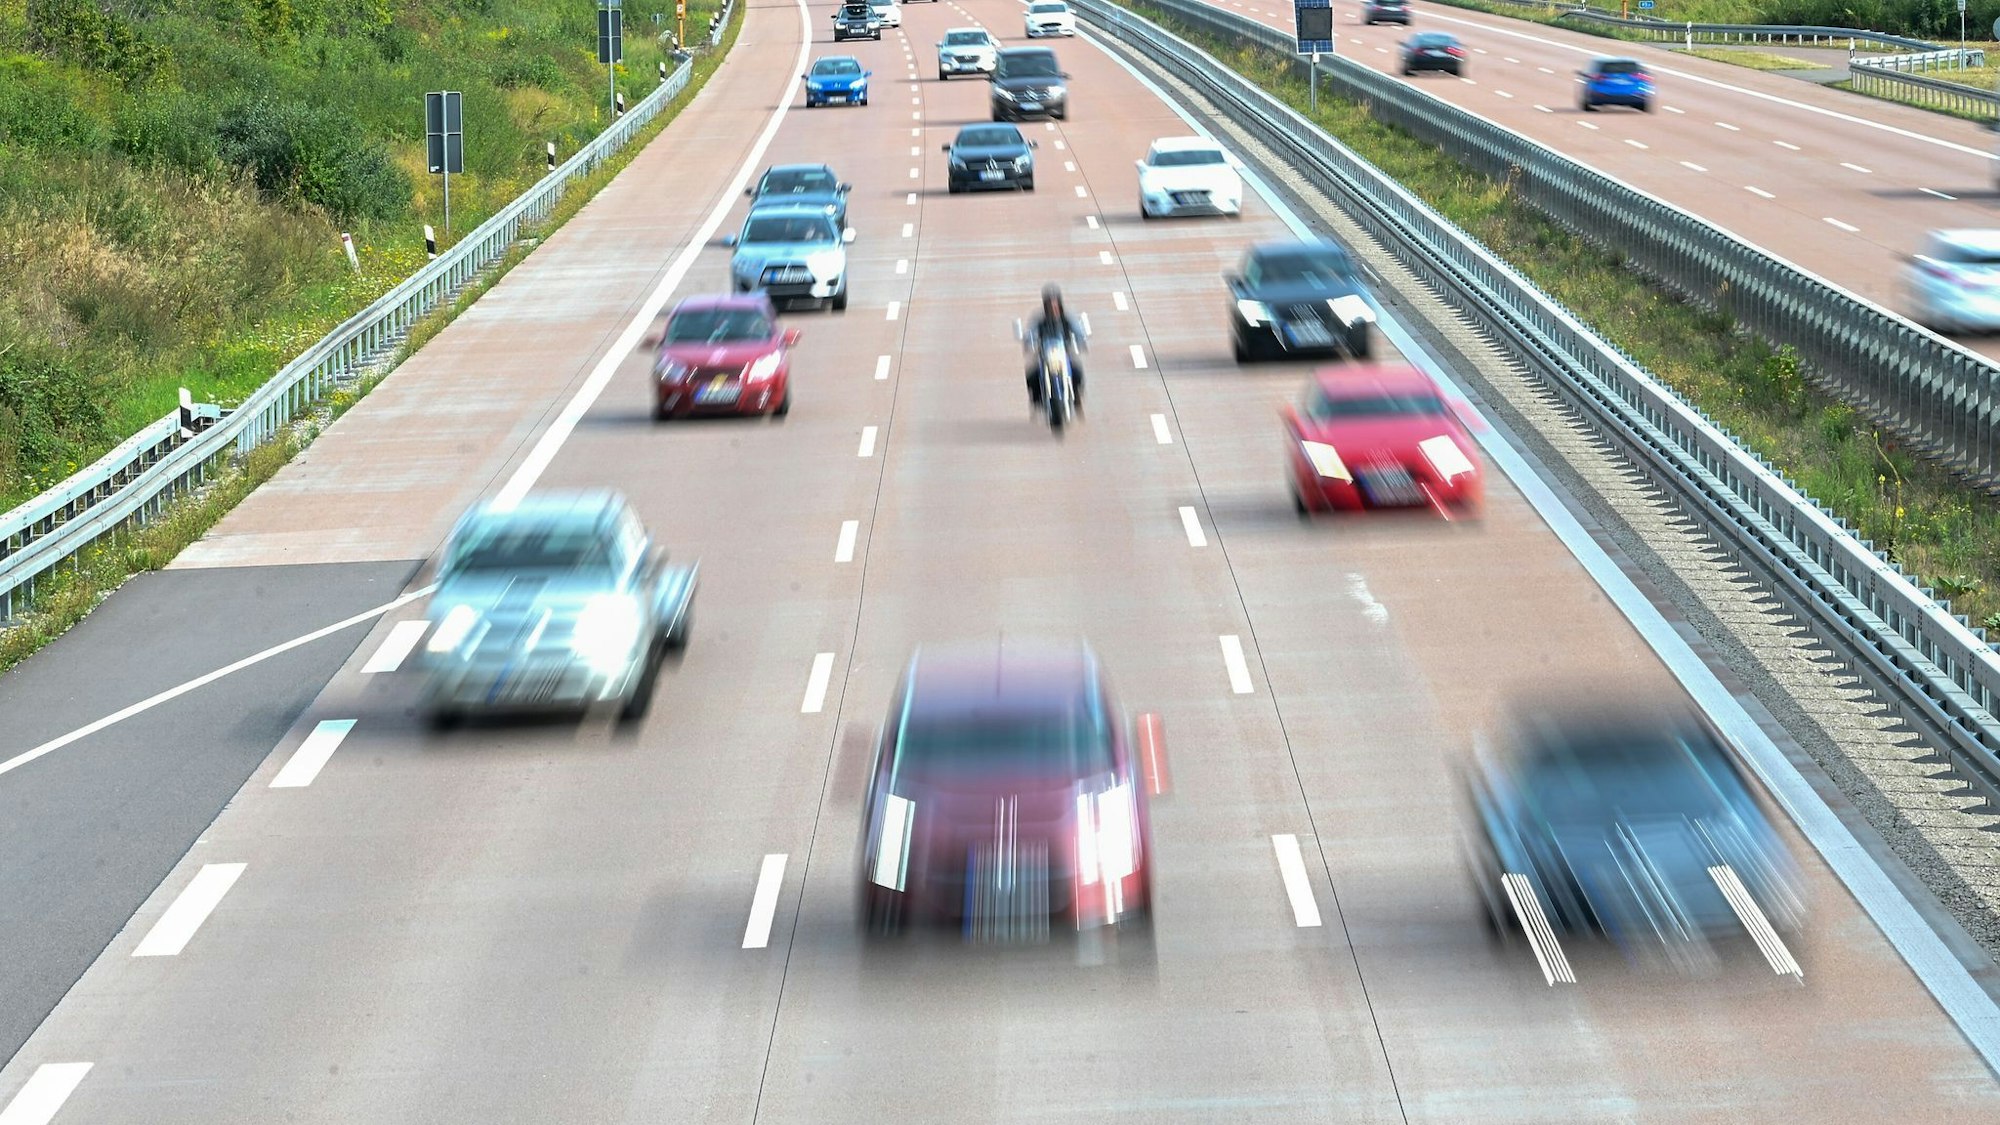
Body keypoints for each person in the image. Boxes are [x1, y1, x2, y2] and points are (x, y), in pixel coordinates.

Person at [1024, 284, 1086, 405]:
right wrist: (1028, 341)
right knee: (1031, 375)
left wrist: (1081, 340)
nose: (1053, 307)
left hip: (1064, 352)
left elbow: (1077, 329)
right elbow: (1031, 331)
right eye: (1050, 304)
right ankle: (1036, 399)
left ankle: (1077, 395)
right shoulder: (1039, 318)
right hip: (1044, 354)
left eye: (1055, 303)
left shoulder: (1067, 317)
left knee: (1077, 372)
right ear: (1045, 305)